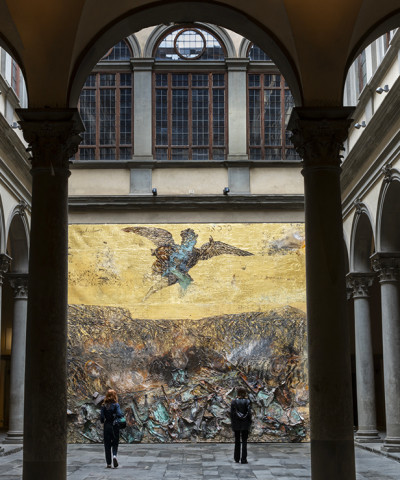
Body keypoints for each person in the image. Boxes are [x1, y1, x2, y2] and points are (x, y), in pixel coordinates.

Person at [100, 389, 123, 468]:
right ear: (115, 395)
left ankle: (109, 463)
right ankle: (114, 456)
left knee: (107, 445)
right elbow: (119, 414)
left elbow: (102, 418)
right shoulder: (116, 405)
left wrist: (104, 420)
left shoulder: (103, 406)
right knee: (115, 443)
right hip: (114, 425)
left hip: (107, 426)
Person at [230, 386, 252, 464]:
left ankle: (236, 458)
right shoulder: (247, 401)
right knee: (244, 442)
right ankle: (243, 459)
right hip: (245, 424)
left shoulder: (233, 402)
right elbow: (249, 413)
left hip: (236, 424)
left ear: (238, 393)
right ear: (244, 393)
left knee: (237, 441)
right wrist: (249, 422)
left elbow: (232, 414)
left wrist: (233, 423)